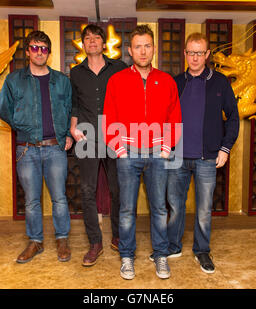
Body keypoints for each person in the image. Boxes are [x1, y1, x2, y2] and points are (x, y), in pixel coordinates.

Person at [102, 24, 182, 280]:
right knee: (127, 209)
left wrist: (166, 147)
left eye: (148, 45)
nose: (143, 51)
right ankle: (127, 256)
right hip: (128, 154)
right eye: (138, 46)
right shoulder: (117, 80)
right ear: (130, 50)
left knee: (159, 208)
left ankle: (160, 255)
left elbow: (174, 116)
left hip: (158, 154)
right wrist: (120, 149)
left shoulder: (166, 80)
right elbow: (109, 117)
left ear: (154, 48)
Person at [0, 30, 73, 264]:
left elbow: (71, 109)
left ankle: (62, 239)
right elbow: (4, 109)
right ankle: (35, 241)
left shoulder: (61, 80)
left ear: (48, 52)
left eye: (43, 48)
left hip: (55, 148)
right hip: (27, 148)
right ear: (28, 51)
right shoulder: (14, 80)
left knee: (59, 197)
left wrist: (67, 134)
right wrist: (23, 125)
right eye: (34, 48)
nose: (39, 52)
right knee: (32, 199)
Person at [166, 32, 239, 273]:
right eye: (191, 52)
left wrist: (225, 148)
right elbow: (165, 117)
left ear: (207, 55)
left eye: (200, 52)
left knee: (204, 209)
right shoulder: (176, 83)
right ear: (185, 54)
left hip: (208, 158)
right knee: (175, 206)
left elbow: (233, 118)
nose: (195, 57)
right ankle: (173, 246)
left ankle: (202, 251)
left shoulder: (220, 82)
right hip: (177, 157)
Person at [69, 24, 127, 267]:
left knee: (117, 190)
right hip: (87, 137)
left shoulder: (120, 68)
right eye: (87, 38)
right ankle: (95, 242)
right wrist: (72, 128)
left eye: (96, 37)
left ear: (104, 43)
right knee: (87, 190)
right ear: (83, 44)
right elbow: (74, 104)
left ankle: (117, 235)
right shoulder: (76, 73)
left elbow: (128, 100)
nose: (92, 41)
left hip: (115, 136)